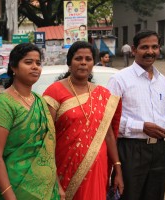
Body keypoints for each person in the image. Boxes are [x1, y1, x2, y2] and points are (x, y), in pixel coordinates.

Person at [43, 41, 124, 200]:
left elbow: (108, 136)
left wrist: (118, 169)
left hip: (97, 167)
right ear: (69, 62)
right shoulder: (54, 92)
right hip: (63, 167)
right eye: (78, 58)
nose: (83, 63)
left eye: (88, 59)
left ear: (93, 62)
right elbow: (46, 137)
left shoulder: (103, 94)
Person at [0, 43, 60, 199]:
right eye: (28, 62)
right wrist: (9, 195)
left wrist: (58, 185)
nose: (35, 67)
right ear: (13, 67)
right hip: (16, 189)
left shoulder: (39, 100)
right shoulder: (2, 104)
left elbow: (48, 150)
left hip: (47, 189)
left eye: (38, 63)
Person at [107, 30, 165, 200]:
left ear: (159, 49)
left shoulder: (161, 80)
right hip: (131, 149)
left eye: (154, 47)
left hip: (159, 149)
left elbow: (164, 111)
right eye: (144, 47)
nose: (150, 51)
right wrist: (142, 126)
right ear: (134, 50)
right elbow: (108, 119)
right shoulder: (119, 79)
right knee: (130, 196)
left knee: (155, 195)